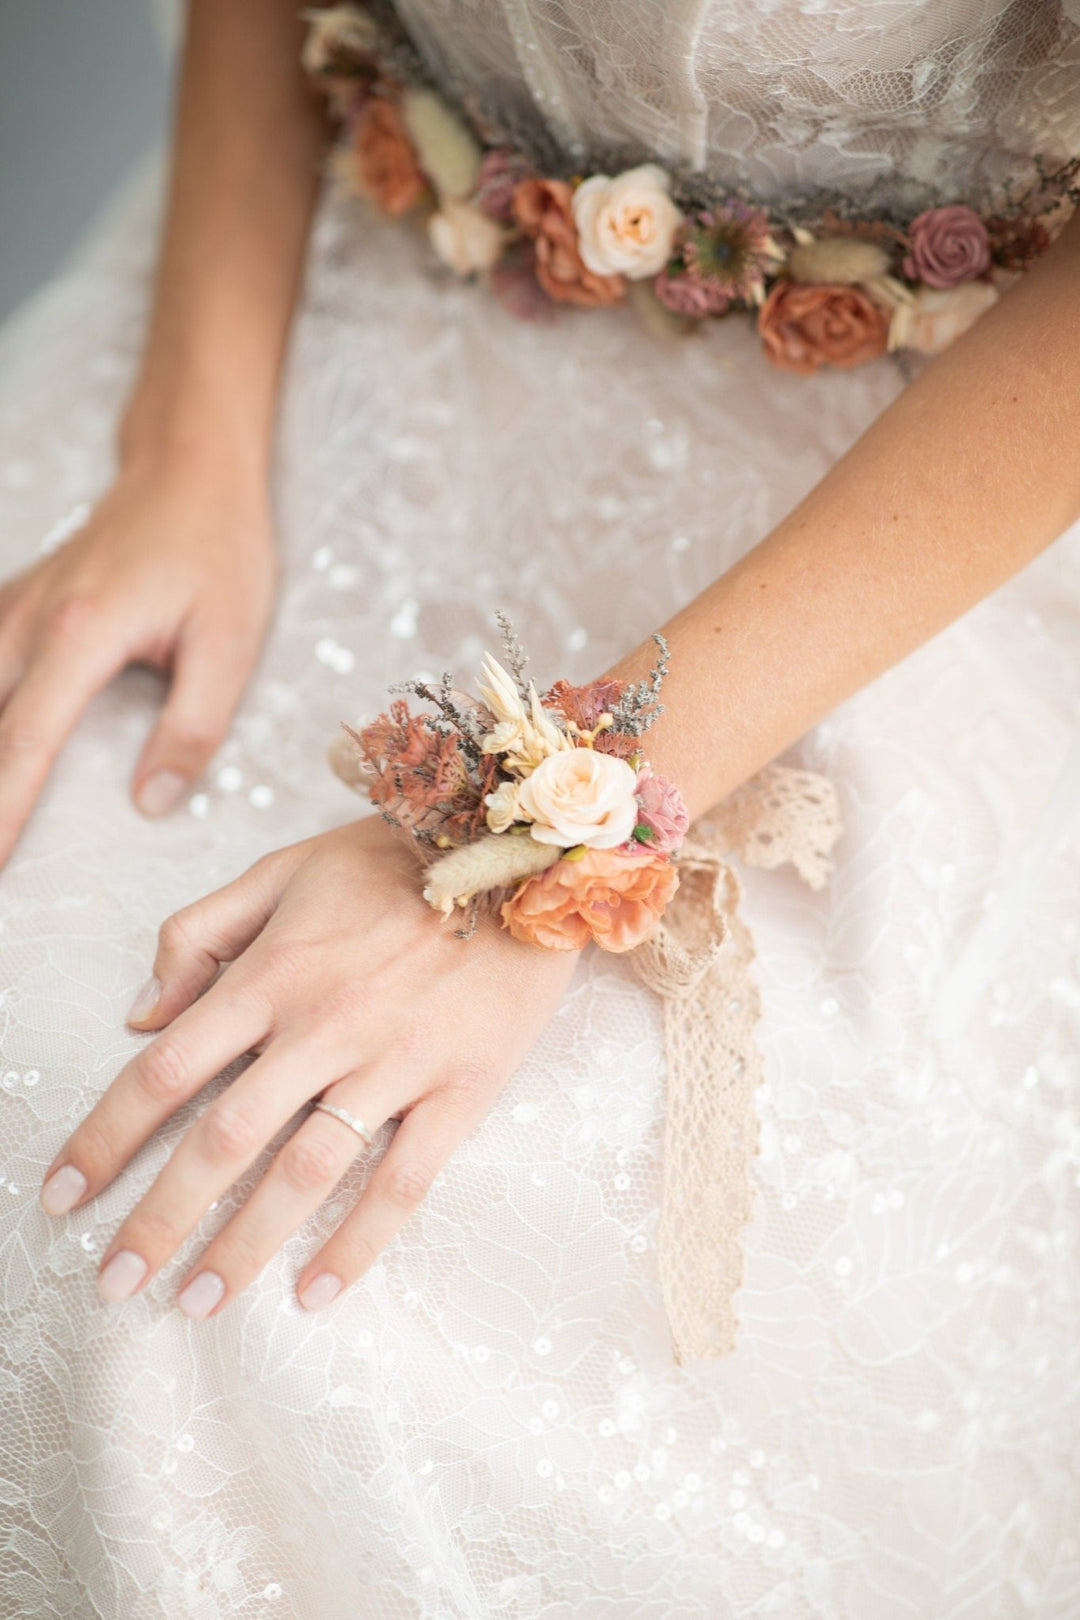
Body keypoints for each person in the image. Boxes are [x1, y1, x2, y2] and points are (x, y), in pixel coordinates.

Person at [2, 2, 1079, 1614]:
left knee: (239, 1303)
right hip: (316, 280)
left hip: (917, 501)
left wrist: (531, 835)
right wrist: (185, 451)